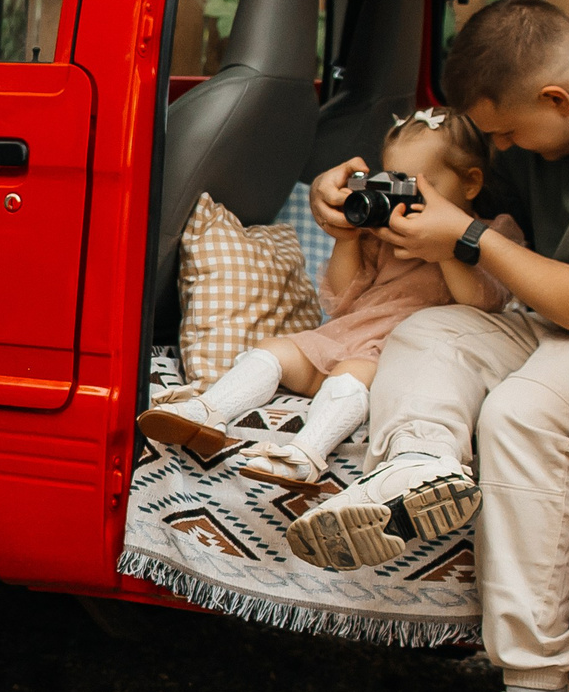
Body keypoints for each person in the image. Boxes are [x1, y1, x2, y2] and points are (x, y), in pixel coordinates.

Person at [287, 0, 569, 692]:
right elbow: (452, 185)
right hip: (549, 314)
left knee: (520, 414)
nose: (506, 153)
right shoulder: (539, 114)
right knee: (432, 331)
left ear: (556, 99)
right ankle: (416, 464)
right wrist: (341, 199)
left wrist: (468, 240)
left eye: (512, 137)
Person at [137, 108, 522, 492]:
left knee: (350, 372)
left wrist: (447, 247)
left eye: (418, 188)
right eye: (391, 184)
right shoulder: (384, 233)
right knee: (275, 350)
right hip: (346, 334)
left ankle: (305, 455)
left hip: (397, 357)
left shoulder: (490, 235)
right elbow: (339, 299)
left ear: (471, 184)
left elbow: (483, 302)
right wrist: (349, 238)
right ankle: (207, 413)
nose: (402, 200)